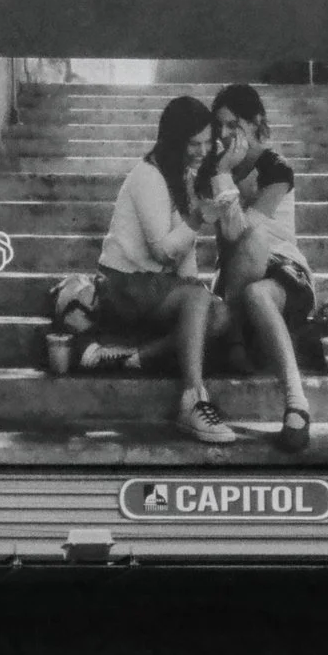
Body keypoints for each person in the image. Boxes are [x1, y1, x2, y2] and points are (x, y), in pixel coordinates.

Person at [91, 94, 239, 443]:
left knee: (220, 315)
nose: (203, 151)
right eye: (194, 143)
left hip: (155, 285)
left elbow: (184, 256)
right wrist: (199, 219)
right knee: (199, 301)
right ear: (174, 140)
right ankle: (193, 400)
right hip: (123, 286)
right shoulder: (148, 176)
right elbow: (161, 252)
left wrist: (196, 293)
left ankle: (134, 358)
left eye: (208, 142)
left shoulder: (182, 175)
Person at [203, 84, 316, 453]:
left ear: (255, 123)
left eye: (232, 125)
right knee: (238, 283)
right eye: (218, 126)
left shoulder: (275, 168)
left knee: (255, 278)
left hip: (283, 275)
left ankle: (296, 402)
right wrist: (220, 172)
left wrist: (223, 173)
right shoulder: (214, 169)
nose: (223, 134)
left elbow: (240, 231)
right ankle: (234, 339)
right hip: (233, 279)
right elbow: (226, 242)